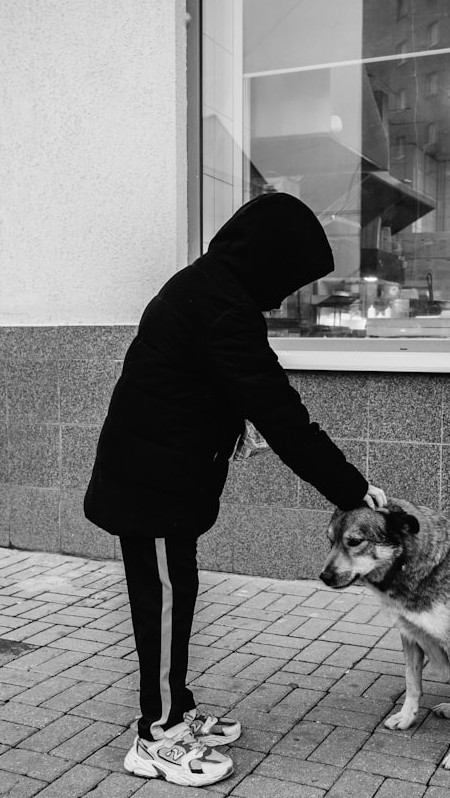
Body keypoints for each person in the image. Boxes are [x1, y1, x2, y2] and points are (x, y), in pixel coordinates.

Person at [84, 191, 387, 787]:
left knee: (177, 596)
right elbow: (281, 412)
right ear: (269, 261)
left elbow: (197, 379)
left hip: (159, 477)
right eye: (291, 278)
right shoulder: (223, 306)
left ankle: (178, 708)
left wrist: (231, 421)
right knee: (165, 605)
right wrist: (352, 488)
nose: (288, 294)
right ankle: (158, 736)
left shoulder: (206, 287)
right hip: (153, 487)